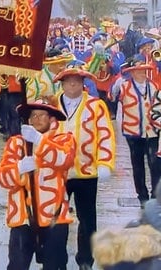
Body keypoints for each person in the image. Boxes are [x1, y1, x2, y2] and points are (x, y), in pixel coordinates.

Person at [0, 98, 76, 270]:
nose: (37, 119)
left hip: (55, 217)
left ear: (51, 119)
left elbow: (64, 160)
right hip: (23, 218)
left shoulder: (64, 140)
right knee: (17, 265)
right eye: (33, 115)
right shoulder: (16, 143)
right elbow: (2, 178)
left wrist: (40, 141)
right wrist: (19, 168)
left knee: (55, 265)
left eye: (42, 115)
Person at [53, 66, 116, 270]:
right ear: (62, 84)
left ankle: (86, 260)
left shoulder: (96, 106)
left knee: (87, 219)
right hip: (57, 172)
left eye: (77, 81)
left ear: (83, 83)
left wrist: (105, 162)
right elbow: (42, 133)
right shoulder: (52, 103)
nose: (73, 84)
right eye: (69, 81)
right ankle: (56, 257)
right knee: (55, 217)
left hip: (86, 171)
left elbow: (105, 135)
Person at [113, 54, 161, 206]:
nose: (142, 73)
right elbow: (111, 96)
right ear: (132, 72)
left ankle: (156, 196)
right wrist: (117, 82)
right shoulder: (124, 86)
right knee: (137, 165)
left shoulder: (154, 86)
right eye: (138, 70)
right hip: (133, 132)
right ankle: (142, 196)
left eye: (143, 70)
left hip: (153, 131)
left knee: (155, 164)